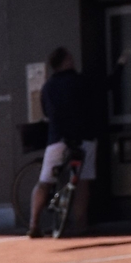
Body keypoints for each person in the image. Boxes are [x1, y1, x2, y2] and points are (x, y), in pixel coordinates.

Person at [31, 47, 102, 236]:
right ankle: (80, 223)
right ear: (67, 61)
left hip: (57, 139)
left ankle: (34, 224)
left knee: (44, 181)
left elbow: (46, 113)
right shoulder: (81, 82)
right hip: (84, 137)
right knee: (83, 180)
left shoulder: (47, 87)